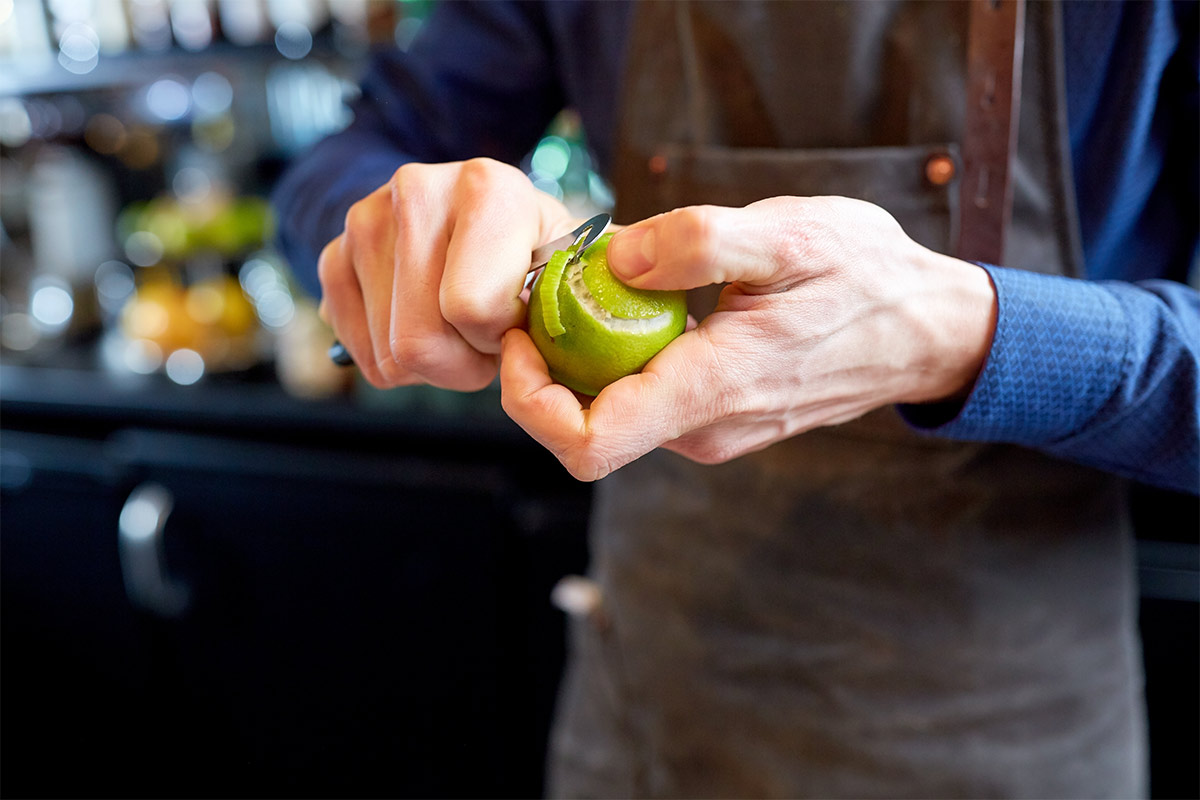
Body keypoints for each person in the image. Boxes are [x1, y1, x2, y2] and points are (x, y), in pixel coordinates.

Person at [273, 1, 1199, 796]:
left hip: (1014, 729)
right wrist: (405, 230)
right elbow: (349, 158)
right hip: (655, 712)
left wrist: (966, 331)